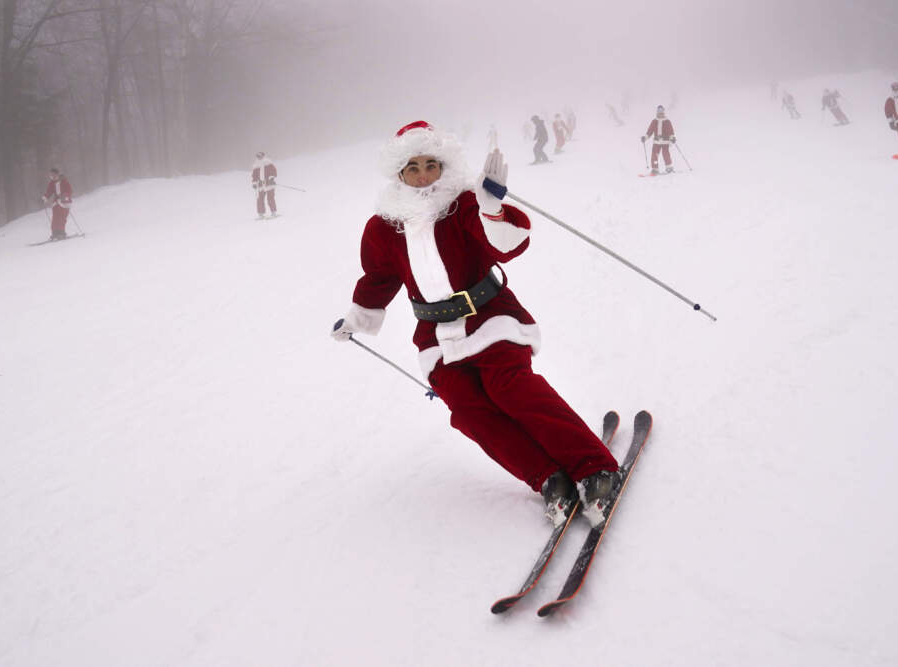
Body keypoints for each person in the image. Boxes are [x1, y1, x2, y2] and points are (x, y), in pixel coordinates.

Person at [331, 121, 619, 526]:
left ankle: (595, 469)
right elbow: (378, 277)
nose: (423, 175)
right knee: (468, 409)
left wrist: (492, 210)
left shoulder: (464, 203)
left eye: (431, 164)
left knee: (509, 387)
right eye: (412, 168)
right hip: (436, 335)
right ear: (399, 173)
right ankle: (548, 477)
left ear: (445, 165)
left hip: (490, 315)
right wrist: (357, 318)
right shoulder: (385, 225)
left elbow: (506, 245)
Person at [641, 105, 676, 175]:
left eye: (662, 112)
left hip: (665, 141)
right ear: (657, 113)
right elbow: (650, 131)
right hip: (656, 142)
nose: (660, 114)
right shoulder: (654, 121)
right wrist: (645, 137)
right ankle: (655, 169)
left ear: (663, 113)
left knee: (665, 153)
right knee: (654, 155)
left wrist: (672, 138)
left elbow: (671, 131)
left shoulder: (667, 121)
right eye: (659, 112)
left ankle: (669, 167)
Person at [41, 168, 72, 240]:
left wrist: (65, 196)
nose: (52, 177)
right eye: (51, 176)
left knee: (62, 218)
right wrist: (44, 198)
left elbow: (69, 191)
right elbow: (49, 192)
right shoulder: (52, 183)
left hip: (64, 203)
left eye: (53, 175)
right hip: (56, 202)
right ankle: (55, 234)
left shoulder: (64, 181)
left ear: (57, 174)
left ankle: (61, 233)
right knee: (55, 218)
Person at [251, 151, 278, 218]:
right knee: (260, 199)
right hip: (260, 185)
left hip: (269, 183)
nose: (259, 157)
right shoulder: (255, 165)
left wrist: (272, 177)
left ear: (263, 155)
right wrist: (254, 183)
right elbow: (254, 176)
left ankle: (273, 212)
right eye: (258, 156)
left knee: (270, 198)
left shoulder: (268, 162)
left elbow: (274, 171)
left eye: (260, 155)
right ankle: (261, 213)